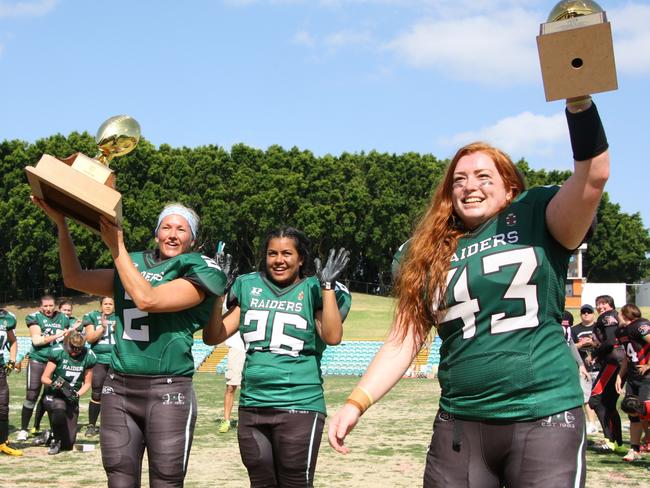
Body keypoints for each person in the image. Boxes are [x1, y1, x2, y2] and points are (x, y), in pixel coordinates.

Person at [328, 95, 609, 487]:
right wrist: (356, 403)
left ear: (510, 187)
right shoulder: (424, 250)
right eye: (458, 179)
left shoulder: (536, 213)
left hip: (543, 417)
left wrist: (579, 105)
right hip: (460, 423)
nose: (469, 186)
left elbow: (593, 175)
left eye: (482, 176)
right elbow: (404, 339)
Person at [32, 198, 227, 487]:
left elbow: (148, 299)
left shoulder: (199, 267)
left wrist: (117, 247)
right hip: (119, 387)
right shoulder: (133, 261)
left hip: (168, 390)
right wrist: (62, 225)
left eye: (182, 229)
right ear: (156, 232)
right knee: (119, 479)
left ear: (194, 240)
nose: (172, 234)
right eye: (167, 227)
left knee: (166, 481)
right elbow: (74, 277)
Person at [205, 226, 351, 487]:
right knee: (260, 483)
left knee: (295, 483)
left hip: (299, 406)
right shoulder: (248, 285)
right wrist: (218, 293)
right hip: (253, 406)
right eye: (272, 253)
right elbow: (213, 336)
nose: (279, 260)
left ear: (301, 258)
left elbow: (332, 336)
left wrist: (327, 286)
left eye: (287, 253)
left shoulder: (313, 288)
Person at [16, 295, 71, 441]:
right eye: (45, 306)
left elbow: (66, 340)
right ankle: (23, 429)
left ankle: (53, 429)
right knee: (32, 394)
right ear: (40, 307)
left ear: (55, 306)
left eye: (51, 306)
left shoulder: (63, 318)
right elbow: (37, 340)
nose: (48, 309)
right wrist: (57, 335)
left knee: (51, 396)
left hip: (54, 362)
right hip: (38, 360)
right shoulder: (34, 317)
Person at [41, 331, 96, 454]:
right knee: (59, 407)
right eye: (73, 348)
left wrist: (77, 394)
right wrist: (55, 385)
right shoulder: (59, 351)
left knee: (68, 444)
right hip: (55, 395)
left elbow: (87, 383)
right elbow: (44, 377)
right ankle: (55, 440)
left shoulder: (88, 356)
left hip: (71, 396)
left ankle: (49, 435)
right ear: (68, 344)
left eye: (78, 349)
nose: (74, 352)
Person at [615, 303, 650, 462]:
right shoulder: (621, 331)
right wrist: (620, 376)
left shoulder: (640, 325)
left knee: (646, 413)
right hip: (632, 377)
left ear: (624, 314)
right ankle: (634, 450)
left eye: (619, 314)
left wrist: (649, 365)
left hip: (647, 378)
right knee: (633, 412)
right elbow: (627, 358)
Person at [590, 294, 624, 452]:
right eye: (598, 304)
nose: (600, 307)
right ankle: (617, 443)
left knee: (596, 400)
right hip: (619, 362)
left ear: (611, 305)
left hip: (613, 362)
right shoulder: (614, 316)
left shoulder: (607, 316)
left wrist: (595, 353)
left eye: (604, 303)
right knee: (609, 403)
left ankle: (610, 440)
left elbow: (611, 341)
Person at [82, 296, 119, 437]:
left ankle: (112, 425)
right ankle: (91, 425)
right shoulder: (92, 316)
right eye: (105, 303)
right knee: (96, 392)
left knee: (115, 393)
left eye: (111, 304)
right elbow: (90, 338)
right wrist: (102, 328)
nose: (108, 306)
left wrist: (118, 329)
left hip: (115, 359)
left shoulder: (120, 316)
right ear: (101, 305)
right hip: (98, 359)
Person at [571, 303, 599, 434]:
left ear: (593, 314)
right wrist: (581, 343)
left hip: (600, 366)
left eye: (588, 312)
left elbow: (606, 345)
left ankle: (603, 423)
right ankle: (592, 423)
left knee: (601, 397)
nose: (586, 314)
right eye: (583, 312)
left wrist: (593, 343)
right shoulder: (574, 330)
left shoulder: (599, 327)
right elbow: (570, 347)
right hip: (584, 368)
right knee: (586, 397)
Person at [0, 306, 22, 456]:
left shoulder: (6, 319)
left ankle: (2, 442)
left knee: (3, 405)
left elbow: (13, 341)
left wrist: (12, 360)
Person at [218, 333, 246, 433]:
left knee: (248, 388)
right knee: (231, 387)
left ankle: (244, 420)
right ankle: (226, 421)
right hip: (237, 348)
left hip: (254, 347)